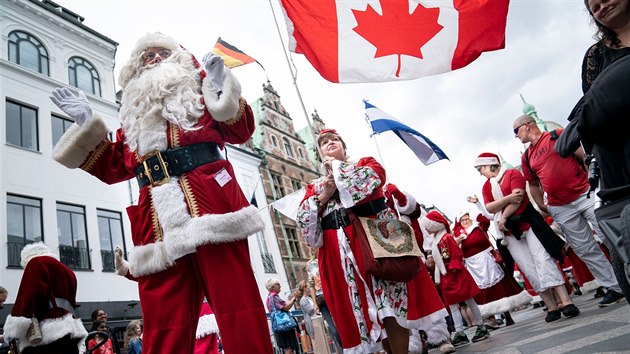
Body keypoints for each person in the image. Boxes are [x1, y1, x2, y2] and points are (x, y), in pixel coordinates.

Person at [49, 32, 271, 353]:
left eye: (160, 54)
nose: (152, 60)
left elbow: (241, 130)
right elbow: (114, 166)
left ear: (179, 59)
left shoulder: (201, 95)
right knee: (164, 320)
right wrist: (86, 123)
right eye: (145, 57)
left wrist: (222, 85)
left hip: (212, 208)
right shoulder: (134, 120)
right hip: (155, 220)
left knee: (237, 306)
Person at [296, 129, 452, 354]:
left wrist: (337, 171)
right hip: (340, 255)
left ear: (344, 146)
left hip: (373, 241)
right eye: (323, 143)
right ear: (319, 153)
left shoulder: (364, 162)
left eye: (334, 140)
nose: (329, 143)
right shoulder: (315, 186)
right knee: (368, 314)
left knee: (388, 306)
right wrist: (323, 196)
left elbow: (371, 180)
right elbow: (305, 223)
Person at [513, 114, 624, 307]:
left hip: (584, 194)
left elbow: (584, 157)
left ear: (528, 125)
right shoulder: (527, 156)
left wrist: (593, 183)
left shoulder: (557, 135)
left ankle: (625, 275)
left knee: (610, 235)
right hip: (560, 206)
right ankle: (614, 286)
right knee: (585, 248)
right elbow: (532, 184)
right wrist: (541, 205)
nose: (516, 136)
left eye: (516, 131)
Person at [474, 152, 581, 323]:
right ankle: (551, 306)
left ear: (491, 165)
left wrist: (503, 217)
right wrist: (507, 200)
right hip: (509, 233)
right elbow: (491, 206)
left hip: (528, 225)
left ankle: (566, 301)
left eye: (481, 168)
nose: (480, 172)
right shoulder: (487, 186)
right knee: (528, 268)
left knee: (543, 260)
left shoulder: (513, 174)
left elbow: (519, 198)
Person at [421, 211, 490, 347]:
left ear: (435, 225)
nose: (427, 229)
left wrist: (451, 270)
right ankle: (460, 332)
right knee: (453, 306)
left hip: (454, 275)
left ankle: (481, 327)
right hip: (446, 275)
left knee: (469, 300)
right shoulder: (438, 239)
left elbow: (456, 255)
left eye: (428, 226)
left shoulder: (446, 238)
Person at [3, 242, 87, 353]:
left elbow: (28, 297)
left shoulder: (36, 263)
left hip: (45, 338)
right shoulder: (69, 271)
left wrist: (12, 331)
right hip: (70, 334)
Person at [305, 250, 343, 352]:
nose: (312, 248)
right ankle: (343, 350)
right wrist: (314, 303)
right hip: (321, 298)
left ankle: (351, 348)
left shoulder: (327, 257)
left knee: (341, 325)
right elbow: (311, 284)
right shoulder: (310, 264)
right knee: (333, 329)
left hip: (333, 296)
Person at [265, 278, 300, 354]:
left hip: (278, 326)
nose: (280, 286)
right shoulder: (274, 297)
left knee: (287, 348)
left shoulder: (268, 297)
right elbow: (286, 307)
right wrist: (293, 298)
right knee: (289, 348)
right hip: (284, 325)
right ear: (272, 287)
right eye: (277, 284)